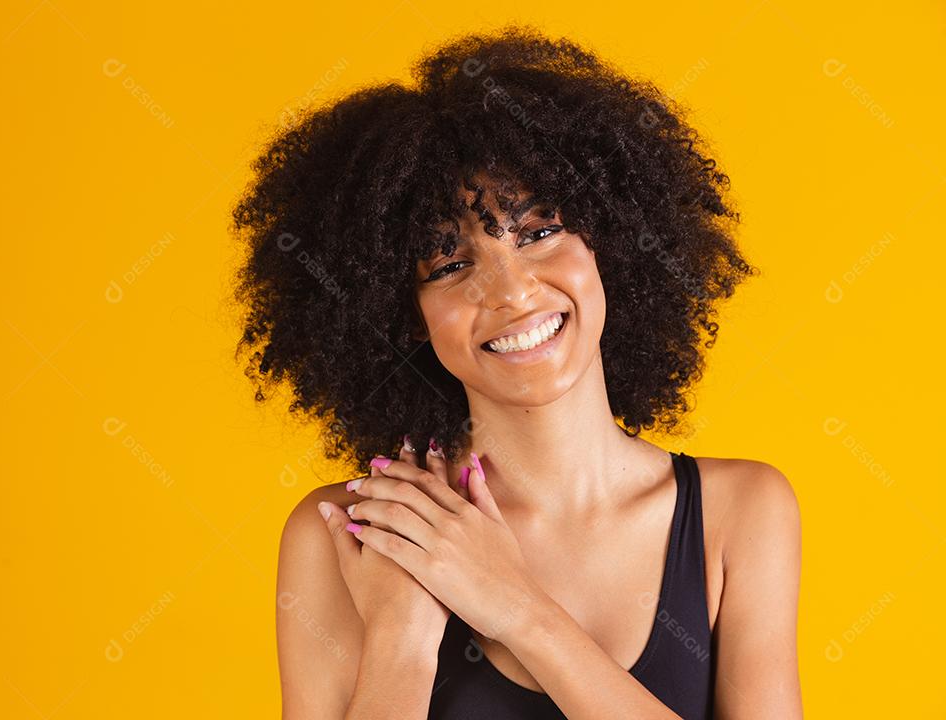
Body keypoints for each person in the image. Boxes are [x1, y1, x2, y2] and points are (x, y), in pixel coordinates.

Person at [232, 24, 802, 719]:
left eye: (538, 233)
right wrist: (401, 640)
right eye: (449, 265)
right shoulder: (350, 534)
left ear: (609, 243)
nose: (510, 291)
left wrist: (518, 609)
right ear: (404, 313)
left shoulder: (738, 512)